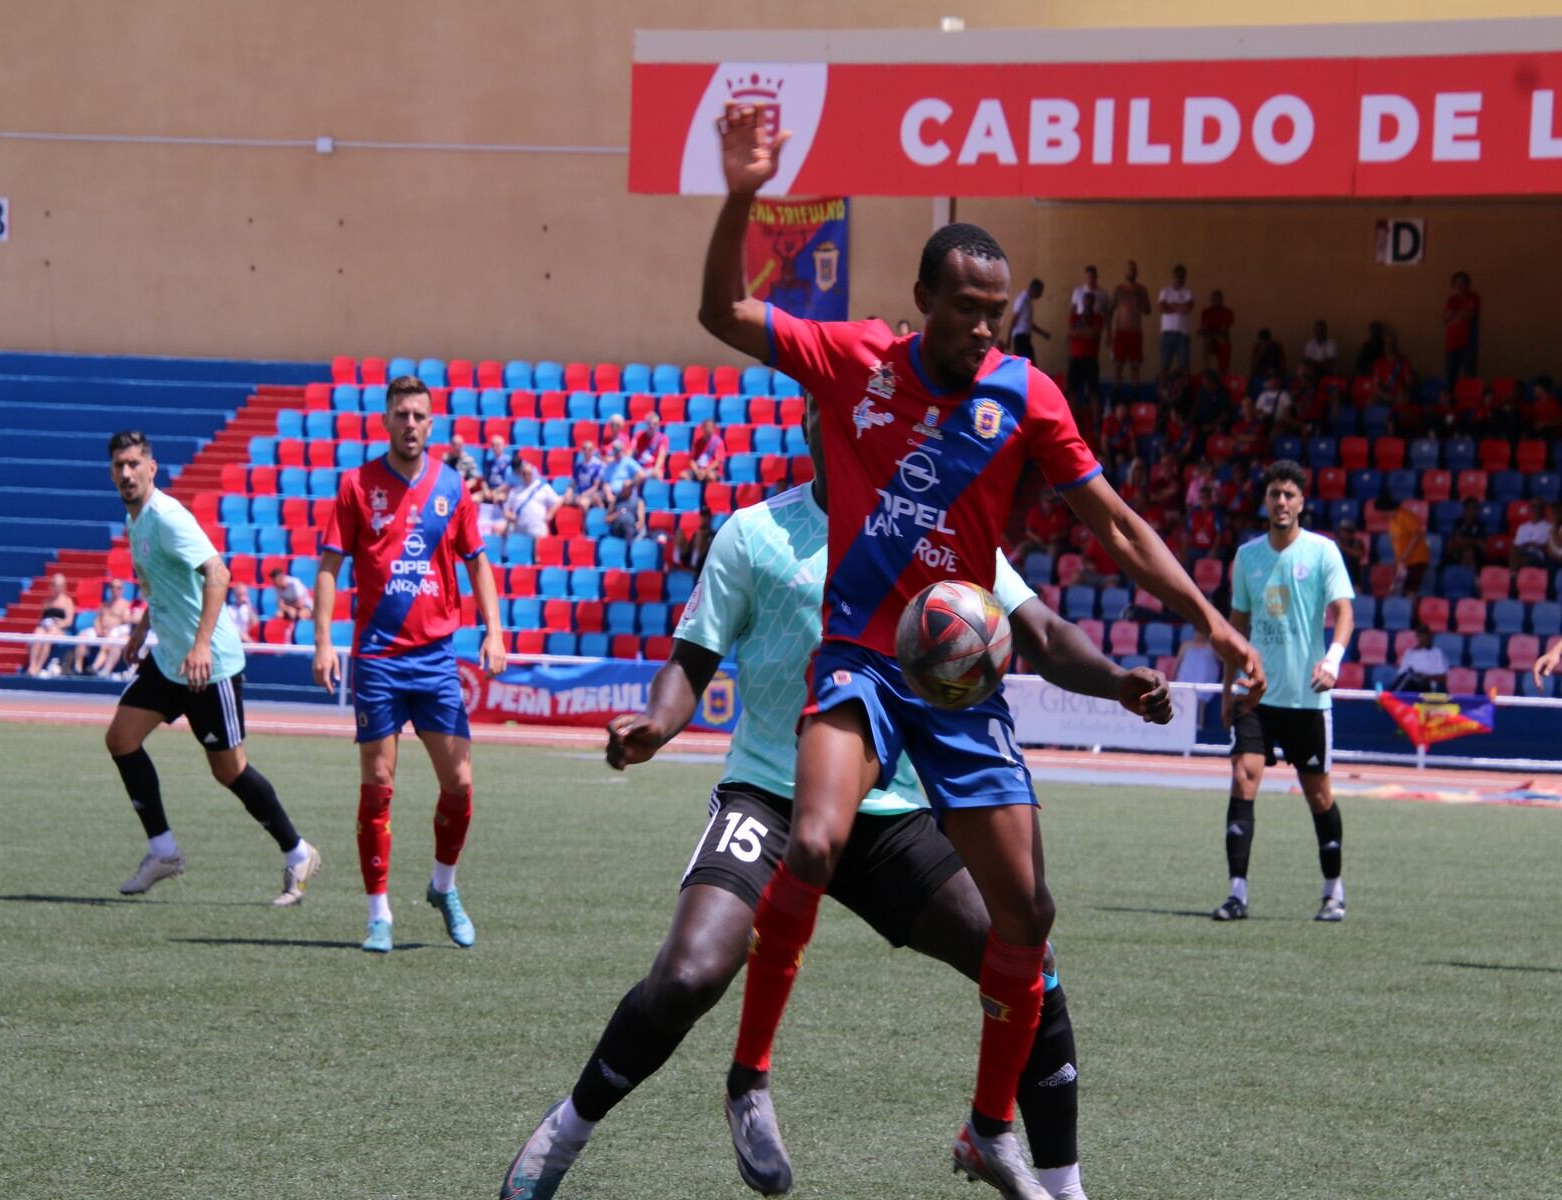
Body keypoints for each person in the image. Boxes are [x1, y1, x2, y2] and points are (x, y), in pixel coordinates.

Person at [695, 104, 1263, 1199]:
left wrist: (1207, 616)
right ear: (922, 304)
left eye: (999, 315)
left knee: (1029, 918)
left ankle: (987, 1128)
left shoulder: (1025, 396)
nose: (986, 333)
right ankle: (750, 1076)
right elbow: (721, 308)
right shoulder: (854, 357)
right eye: (966, 312)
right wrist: (739, 194)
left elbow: (1115, 526)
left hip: (961, 679)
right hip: (863, 655)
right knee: (810, 839)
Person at [502, 402, 1173, 1200]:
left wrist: (1115, 680)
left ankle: (1056, 1179)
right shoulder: (754, 535)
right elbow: (690, 662)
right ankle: (567, 1130)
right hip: (771, 798)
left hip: (888, 813)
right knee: (688, 976)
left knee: (1025, 956)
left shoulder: (943, 536)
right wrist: (658, 721)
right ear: (816, 429)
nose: (851, 433)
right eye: (834, 417)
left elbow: (1044, 631)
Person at [312, 375, 506, 953]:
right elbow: (329, 567)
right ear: (386, 421)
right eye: (402, 414)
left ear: (431, 421)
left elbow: (478, 566)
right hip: (377, 658)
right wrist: (323, 641)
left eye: (420, 415)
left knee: (461, 783)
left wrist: (494, 631)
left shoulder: (452, 487)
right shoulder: (357, 485)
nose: (411, 424)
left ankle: (443, 887)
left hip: (436, 659)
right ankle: (379, 915)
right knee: (377, 783)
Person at [102, 430, 320, 904]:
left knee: (229, 771)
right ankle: (163, 851)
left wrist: (201, 647)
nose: (127, 473)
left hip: (209, 665)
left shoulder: (166, 516)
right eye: (119, 465)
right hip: (170, 661)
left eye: (135, 464)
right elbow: (161, 582)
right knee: (121, 739)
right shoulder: (133, 520)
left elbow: (218, 573)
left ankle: (298, 852)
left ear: (152, 467)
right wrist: (142, 628)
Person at [1216, 461, 1355, 924]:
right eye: (1275, 494)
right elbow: (1236, 627)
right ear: (1265, 501)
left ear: (1301, 502)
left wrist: (1332, 661)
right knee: (1243, 777)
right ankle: (1237, 893)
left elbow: (1344, 613)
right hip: (1255, 695)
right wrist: (1225, 689)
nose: (1281, 502)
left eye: (1289, 495)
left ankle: (1333, 891)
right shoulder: (1247, 557)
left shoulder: (1323, 553)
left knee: (1318, 795)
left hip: (1307, 699)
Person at [73, 582, 134, 676]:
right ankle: (78, 668)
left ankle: (95, 668)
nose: (115, 590)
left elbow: (125, 622)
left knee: (110, 641)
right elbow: (97, 620)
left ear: (122, 590)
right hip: (101, 632)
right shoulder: (104, 605)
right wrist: (99, 629)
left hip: (115, 632)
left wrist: (111, 631)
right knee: (82, 635)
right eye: (112, 587)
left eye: (118, 588)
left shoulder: (126, 605)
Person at [26, 572, 76, 677]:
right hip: (46, 627)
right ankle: (32, 665)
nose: (57, 588)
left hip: (59, 629)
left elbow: (69, 621)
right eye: (55, 585)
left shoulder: (67, 602)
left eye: (60, 586)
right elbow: (41, 618)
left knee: (48, 637)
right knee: (37, 633)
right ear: (51, 586)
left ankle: (39, 667)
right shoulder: (46, 602)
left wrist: (57, 624)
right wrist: (45, 625)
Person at [1109, 260, 1150, 385]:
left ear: (1137, 272)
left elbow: (1148, 310)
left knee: (1135, 367)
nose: (1131, 271)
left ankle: (1134, 400)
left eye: (1133, 269)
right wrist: (1108, 333)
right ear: (1124, 271)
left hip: (1135, 332)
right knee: (1118, 367)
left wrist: (1140, 303)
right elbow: (1110, 311)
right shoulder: (1119, 289)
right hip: (1121, 332)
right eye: (1128, 269)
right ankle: (1117, 399)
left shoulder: (1142, 290)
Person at [1380, 491, 1429, 596]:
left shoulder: (1405, 516)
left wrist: (1405, 554)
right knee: (1401, 590)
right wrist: (1398, 560)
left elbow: (1417, 535)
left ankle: (1412, 612)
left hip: (1416, 559)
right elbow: (1396, 542)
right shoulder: (1392, 521)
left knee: (1410, 591)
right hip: (1404, 562)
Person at [504, 458, 563, 538]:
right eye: (524, 474)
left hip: (538, 530)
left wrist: (550, 513)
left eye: (529, 473)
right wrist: (509, 515)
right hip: (520, 532)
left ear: (533, 473)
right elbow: (506, 509)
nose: (526, 476)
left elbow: (558, 501)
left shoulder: (543, 487)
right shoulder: (515, 491)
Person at [1065, 292, 1103, 409]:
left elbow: (1094, 334)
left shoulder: (1098, 318)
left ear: (1093, 303)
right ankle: (1072, 425)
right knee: (1073, 392)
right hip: (1075, 358)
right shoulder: (1075, 317)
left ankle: (1096, 426)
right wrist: (1084, 331)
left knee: (1093, 392)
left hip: (1091, 359)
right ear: (1082, 302)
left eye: (1090, 301)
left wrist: (1079, 332)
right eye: (1086, 300)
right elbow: (1070, 333)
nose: (1088, 303)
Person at [1156, 264, 1193, 377]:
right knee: (1165, 365)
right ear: (1173, 276)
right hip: (1167, 333)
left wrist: (1171, 305)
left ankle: (1186, 392)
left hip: (1183, 334)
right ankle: (1162, 393)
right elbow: (1162, 308)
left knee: (1184, 365)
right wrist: (1179, 307)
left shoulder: (1188, 292)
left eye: (1183, 277)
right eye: (1178, 276)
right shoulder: (1165, 291)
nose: (1180, 279)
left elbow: (1187, 309)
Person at [1444, 271, 1480, 383]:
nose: (1460, 286)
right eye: (1457, 283)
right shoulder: (1451, 300)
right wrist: (1460, 314)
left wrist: (1453, 315)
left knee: (1469, 376)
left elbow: (1470, 314)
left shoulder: (1473, 298)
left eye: (1462, 283)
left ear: (1467, 285)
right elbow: (1445, 318)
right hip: (1452, 345)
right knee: (1451, 377)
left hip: (1468, 344)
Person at [1003, 278, 1048, 363]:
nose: (1040, 294)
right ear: (1034, 289)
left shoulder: (1028, 302)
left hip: (1025, 339)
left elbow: (1029, 324)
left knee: (1030, 364)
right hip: (1020, 339)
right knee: (1024, 365)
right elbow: (1014, 319)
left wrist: (1043, 333)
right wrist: (1008, 339)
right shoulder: (1022, 300)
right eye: (1040, 292)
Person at [1393, 625, 1448, 692]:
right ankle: (1390, 696)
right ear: (1417, 637)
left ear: (1429, 636)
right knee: (1407, 677)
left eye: (1425, 635)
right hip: (1413, 682)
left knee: (1409, 678)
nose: (1423, 638)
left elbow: (1443, 677)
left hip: (1429, 682)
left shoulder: (1437, 652)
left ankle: (1389, 696)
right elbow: (1402, 673)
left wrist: (1426, 677)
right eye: (1420, 635)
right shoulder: (1410, 652)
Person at [1198, 289, 1233, 377]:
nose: (1216, 301)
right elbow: (1203, 328)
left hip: (1221, 338)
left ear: (1222, 300)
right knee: (1205, 342)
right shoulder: (1206, 312)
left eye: (1218, 299)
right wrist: (1206, 332)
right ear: (1211, 300)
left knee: (1224, 343)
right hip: (1211, 339)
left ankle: (1223, 372)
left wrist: (1210, 332)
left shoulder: (1228, 312)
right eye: (1214, 299)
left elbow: (1224, 330)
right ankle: (1206, 371)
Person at [561, 439, 606, 508]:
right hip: (580, 494)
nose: (587, 451)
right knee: (561, 500)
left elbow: (595, 487)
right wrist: (569, 490)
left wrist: (582, 495)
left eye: (590, 449)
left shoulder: (597, 465)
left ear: (593, 450)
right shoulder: (578, 466)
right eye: (584, 449)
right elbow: (573, 483)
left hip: (593, 495)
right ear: (582, 450)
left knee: (583, 503)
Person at [684, 418, 727, 483]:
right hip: (698, 470)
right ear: (702, 428)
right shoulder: (697, 442)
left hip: (712, 470)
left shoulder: (718, 443)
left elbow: (718, 461)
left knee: (710, 476)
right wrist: (697, 471)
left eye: (710, 427)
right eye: (706, 427)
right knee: (683, 475)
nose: (707, 429)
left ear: (713, 428)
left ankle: (709, 492)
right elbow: (691, 460)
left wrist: (705, 471)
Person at [1511, 503, 1553, 569]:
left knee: (1525, 558)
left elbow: (1550, 547)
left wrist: (1533, 544)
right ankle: (1513, 574)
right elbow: (1517, 545)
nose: (1535, 510)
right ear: (1530, 510)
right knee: (1514, 552)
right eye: (1533, 508)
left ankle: (1516, 574)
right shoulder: (1523, 527)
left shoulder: (1549, 527)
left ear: (1542, 510)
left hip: (1539, 554)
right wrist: (1526, 545)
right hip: (1523, 552)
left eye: (1538, 508)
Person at [631, 411, 670, 479]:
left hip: (653, 470)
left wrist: (655, 469)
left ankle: (632, 484)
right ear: (646, 424)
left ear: (658, 425)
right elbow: (630, 451)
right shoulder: (638, 436)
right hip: (639, 468)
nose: (652, 426)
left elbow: (661, 457)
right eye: (649, 424)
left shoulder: (663, 438)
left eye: (655, 424)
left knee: (657, 474)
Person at [1334, 517, 1368, 588]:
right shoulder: (1335, 543)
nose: (1343, 533)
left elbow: (1359, 554)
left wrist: (1343, 547)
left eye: (1346, 531)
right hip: (1338, 577)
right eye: (1342, 531)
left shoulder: (1356, 542)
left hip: (1353, 577)